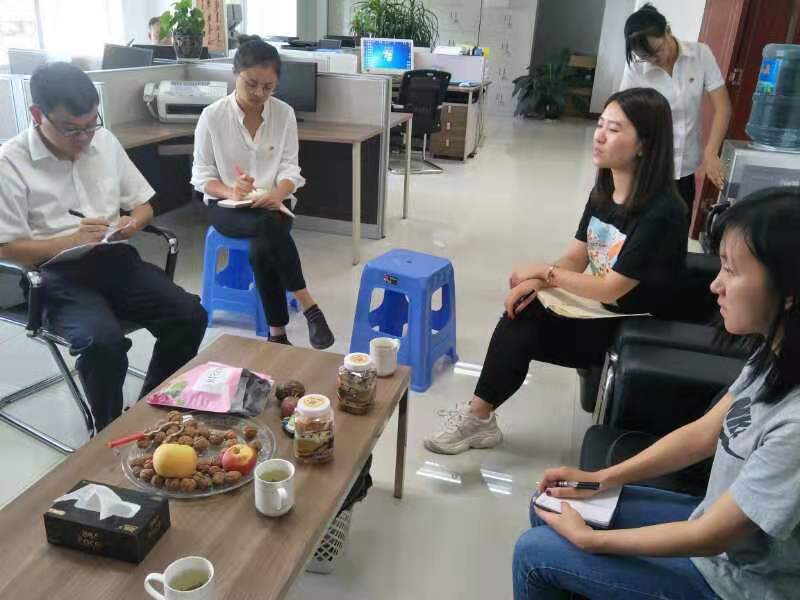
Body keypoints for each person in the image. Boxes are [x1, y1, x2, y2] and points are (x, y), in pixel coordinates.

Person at [512, 187, 800, 600]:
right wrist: (600, 479)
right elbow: (702, 434)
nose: (715, 285)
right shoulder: (774, 356)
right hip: (717, 538)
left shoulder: (795, 424)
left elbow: (713, 536)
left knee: (535, 555)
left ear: (788, 291)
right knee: (549, 505)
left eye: (732, 271)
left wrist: (593, 541)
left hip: (740, 585)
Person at [424, 87, 688, 455]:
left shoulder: (663, 212)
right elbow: (576, 257)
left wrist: (543, 273)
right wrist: (536, 282)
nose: (599, 135)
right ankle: (479, 417)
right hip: (599, 310)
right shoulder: (605, 191)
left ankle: (479, 419)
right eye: (600, 125)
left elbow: (612, 288)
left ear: (645, 144)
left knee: (524, 322)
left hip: (634, 324)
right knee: (521, 310)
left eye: (614, 129)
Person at [0, 63, 208, 431]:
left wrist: (134, 223)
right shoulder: (10, 163)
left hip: (114, 260)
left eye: (90, 125)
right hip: (53, 275)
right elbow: (5, 249)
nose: (83, 138)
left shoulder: (104, 141)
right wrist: (70, 241)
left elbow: (144, 205)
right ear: (37, 114)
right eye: (70, 129)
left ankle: (150, 413)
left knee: (190, 314)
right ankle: (107, 430)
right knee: (102, 343)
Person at [191, 35, 334, 349]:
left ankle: (277, 334)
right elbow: (201, 177)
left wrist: (278, 194)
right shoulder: (212, 116)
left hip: (273, 204)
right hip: (227, 207)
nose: (259, 94)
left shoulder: (284, 114)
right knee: (268, 228)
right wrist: (231, 190)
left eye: (268, 87)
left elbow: (290, 169)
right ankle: (309, 305)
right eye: (251, 84)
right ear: (235, 73)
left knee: (262, 243)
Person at [621, 3, 732, 220]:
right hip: (648, 167)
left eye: (658, 50)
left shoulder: (700, 55)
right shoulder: (635, 67)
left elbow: (723, 108)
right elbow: (624, 115)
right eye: (646, 56)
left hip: (685, 169)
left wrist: (710, 152)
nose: (654, 60)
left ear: (668, 31)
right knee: (639, 229)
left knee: (678, 228)